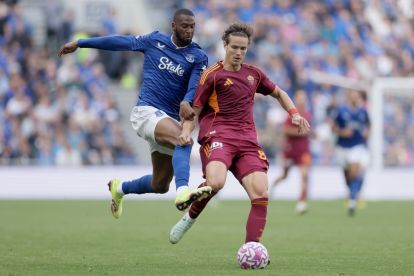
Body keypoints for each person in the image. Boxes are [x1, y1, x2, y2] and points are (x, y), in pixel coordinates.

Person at [58, 8, 212, 218]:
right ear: (173, 26)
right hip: (146, 112)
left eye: (192, 26)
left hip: (166, 120)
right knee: (183, 140)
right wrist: (81, 43)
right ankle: (183, 191)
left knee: (160, 184)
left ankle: (119, 188)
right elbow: (121, 42)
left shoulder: (198, 56)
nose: (189, 30)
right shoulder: (154, 40)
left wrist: (186, 100)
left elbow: (194, 86)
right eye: (185, 26)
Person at [169, 23, 310, 244]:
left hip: (247, 142)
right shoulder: (211, 75)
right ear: (225, 46)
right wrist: (186, 132)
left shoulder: (254, 74)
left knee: (261, 193)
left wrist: (294, 113)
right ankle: (189, 218)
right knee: (215, 183)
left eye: (243, 49)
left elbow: (279, 93)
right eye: (234, 47)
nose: (238, 52)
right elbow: (193, 111)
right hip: (218, 136)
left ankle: (251, 248)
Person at [270, 90, 312, 214]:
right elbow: (286, 130)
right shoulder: (291, 114)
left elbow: (309, 130)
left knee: (305, 175)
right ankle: (272, 188)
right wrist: (301, 132)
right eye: (300, 97)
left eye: (303, 98)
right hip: (290, 150)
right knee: (284, 175)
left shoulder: (308, 114)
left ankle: (302, 202)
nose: (302, 100)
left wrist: (311, 133)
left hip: (303, 149)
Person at [332, 90, 370, 216]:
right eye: (352, 96)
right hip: (342, 147)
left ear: (359, 98)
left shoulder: (363, 112)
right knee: (347, 176)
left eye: (357, 97)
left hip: (357, 146)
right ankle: (353, 193)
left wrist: (367, 133)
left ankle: (352, 201)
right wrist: (342, 132)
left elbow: (369, 124)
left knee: (354, 172)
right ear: (348, 97)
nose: (354, 99)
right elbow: (333, 128)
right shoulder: (341, 111)